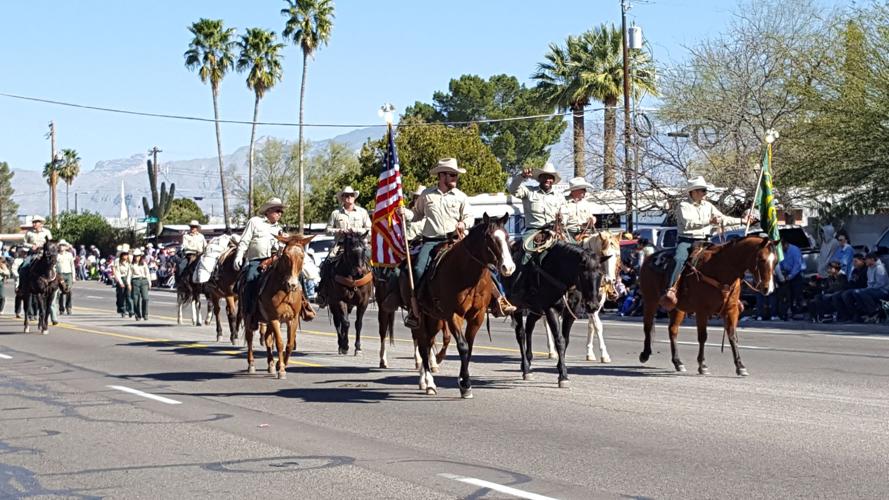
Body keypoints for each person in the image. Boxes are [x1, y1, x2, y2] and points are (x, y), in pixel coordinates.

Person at [402, 158, 514, 327]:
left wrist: (464, 223)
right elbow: (416, 214)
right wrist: (404, 213)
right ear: (442, 176)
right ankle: (415, 308)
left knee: (487, 266)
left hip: (456, 240)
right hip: (432, 241)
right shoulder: (427, 195)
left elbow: (469, 216)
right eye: (452, 175)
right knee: (418, 268)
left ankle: (500, 300)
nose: (455, 178)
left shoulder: (461, 197)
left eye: (456, 175)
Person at [661, 176, 752, 309]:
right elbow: (688, 224)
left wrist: (742, 221)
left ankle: (731, 294)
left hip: (706, 240)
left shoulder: (708, 206)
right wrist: (709, 221)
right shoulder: (683, 206)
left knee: (724, 258)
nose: (705, 193)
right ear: (693, 191)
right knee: (678, 259)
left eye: (705, 191)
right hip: (687, 240)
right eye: (703, 190)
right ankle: (671, 289)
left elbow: (723, 219)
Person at [235, 198, 315, 321]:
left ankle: (304, 305)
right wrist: (239, 255)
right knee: (250, 278)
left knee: (297, 275)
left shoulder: (280, 229)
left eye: (281, 212)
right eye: (277, 210)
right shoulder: (255, 222)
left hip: (275, 260)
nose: (280, 214)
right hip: (257, 260)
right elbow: (245, 240)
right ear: (268, 211)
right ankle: (249, 312)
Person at [317, 186, 372, 308]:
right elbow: (327, 230)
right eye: (346, 195)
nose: (349, 197)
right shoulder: (335, 213)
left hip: (359, 245)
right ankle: (322, 292)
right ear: (342, 198)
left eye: (351, 195)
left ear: (354, 197)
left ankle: (374, 290)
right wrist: (339, 230)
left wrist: (356, 230)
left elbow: (370, 229)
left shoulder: (362, 212)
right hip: (341, 245)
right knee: (326, 264)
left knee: (372, 263)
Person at [509, 162, 566, 244]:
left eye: (550, 178)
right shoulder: (529, 191)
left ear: (553, 180)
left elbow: (565, 213)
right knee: (526, 252)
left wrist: (562, 219)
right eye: (544, 177)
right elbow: (512, 190)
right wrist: (522, 176)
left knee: (573, 250)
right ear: (539, 179)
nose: (547, 180)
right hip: (533, 230)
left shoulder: (559, 196)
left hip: (554, 230)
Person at [846, 252, 889, 322]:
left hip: (882, 290)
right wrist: (867, 289)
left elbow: (881, 284)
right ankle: (867, 312)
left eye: (866, 259)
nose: (865, 261)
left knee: (862, 292)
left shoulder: (879, 268)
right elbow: (869, 282)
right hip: (873, 289)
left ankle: (874, 311)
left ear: (872, 259)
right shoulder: (869, 268)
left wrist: (868, 289)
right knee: (856, 292)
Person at [775, 239, 804, 320]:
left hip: (795, 274)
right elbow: (780, 263)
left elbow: (797, 265)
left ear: (786, 244)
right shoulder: (781, 251)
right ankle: (788, 312)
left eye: (782, 247)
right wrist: (781, 274)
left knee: (797, 293)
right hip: (786, 274)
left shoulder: (795, 250)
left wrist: (790, 276)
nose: (781, 250)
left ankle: (798, 312)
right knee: (787, 295)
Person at [130, 248, 151, 320]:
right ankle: (137, 315)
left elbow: (147, 273)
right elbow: (129, 275)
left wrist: (149, 282)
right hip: (135, 281)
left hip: (144, 281)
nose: (137, 258)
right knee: (136, 299)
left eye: (138, 256)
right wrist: (128, 283)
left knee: (145, 298)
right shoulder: (132, 265)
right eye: (135, 256)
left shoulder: (143, 264)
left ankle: (145, 314)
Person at [112, 249, 133, 318]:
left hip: (128, 279)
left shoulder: (129, 262)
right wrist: (120, 282)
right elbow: (117, 272)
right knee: (121, 296)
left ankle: (130, 310)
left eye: (126, 255)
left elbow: (130, 272)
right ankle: (123, 310)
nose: (125, 256)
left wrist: (129, 282)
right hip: (121, 279)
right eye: (124, 254)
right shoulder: (117, 262)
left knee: (129, 296)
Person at [56, 240, 75, 315]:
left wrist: (73, 277)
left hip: (68, 273)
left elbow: (72, 265)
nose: (61, 247)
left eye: (63, 245)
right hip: (60, 274)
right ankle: (61, 308)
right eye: (60, 245)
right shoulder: (57, 255)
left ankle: (69, 307)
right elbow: (54, 266)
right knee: (60, 292)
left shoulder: (69, 255)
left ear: (66, 247)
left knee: (69, 291)